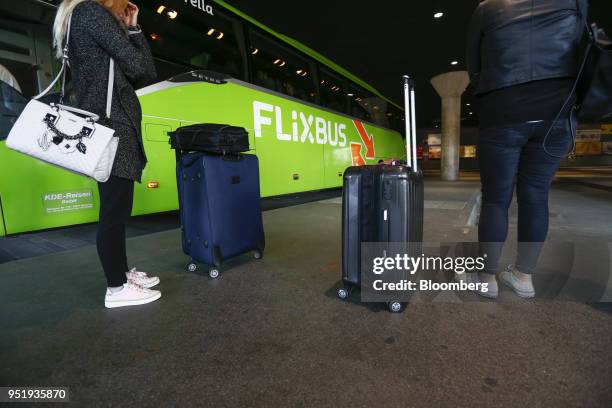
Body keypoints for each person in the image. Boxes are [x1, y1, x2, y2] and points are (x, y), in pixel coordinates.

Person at [466, 0, 587, 299]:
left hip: (504, 109)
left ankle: (487, 278)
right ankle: (523, 277)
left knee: (496, 199)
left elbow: (474, 67)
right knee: (536, 196)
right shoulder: (574, 1)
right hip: (557, 111)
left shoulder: (487, 8)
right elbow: (584, 49)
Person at [53, 0, 160, 308]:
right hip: (111, 126)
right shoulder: (92, 13)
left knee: (117, 208)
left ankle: (123, 275)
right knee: (114, 211)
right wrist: (134, 30)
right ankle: (116, 288)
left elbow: (141, 75)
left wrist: (133, 26)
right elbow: (141, 68)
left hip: (108, 124)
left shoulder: (82, 16)